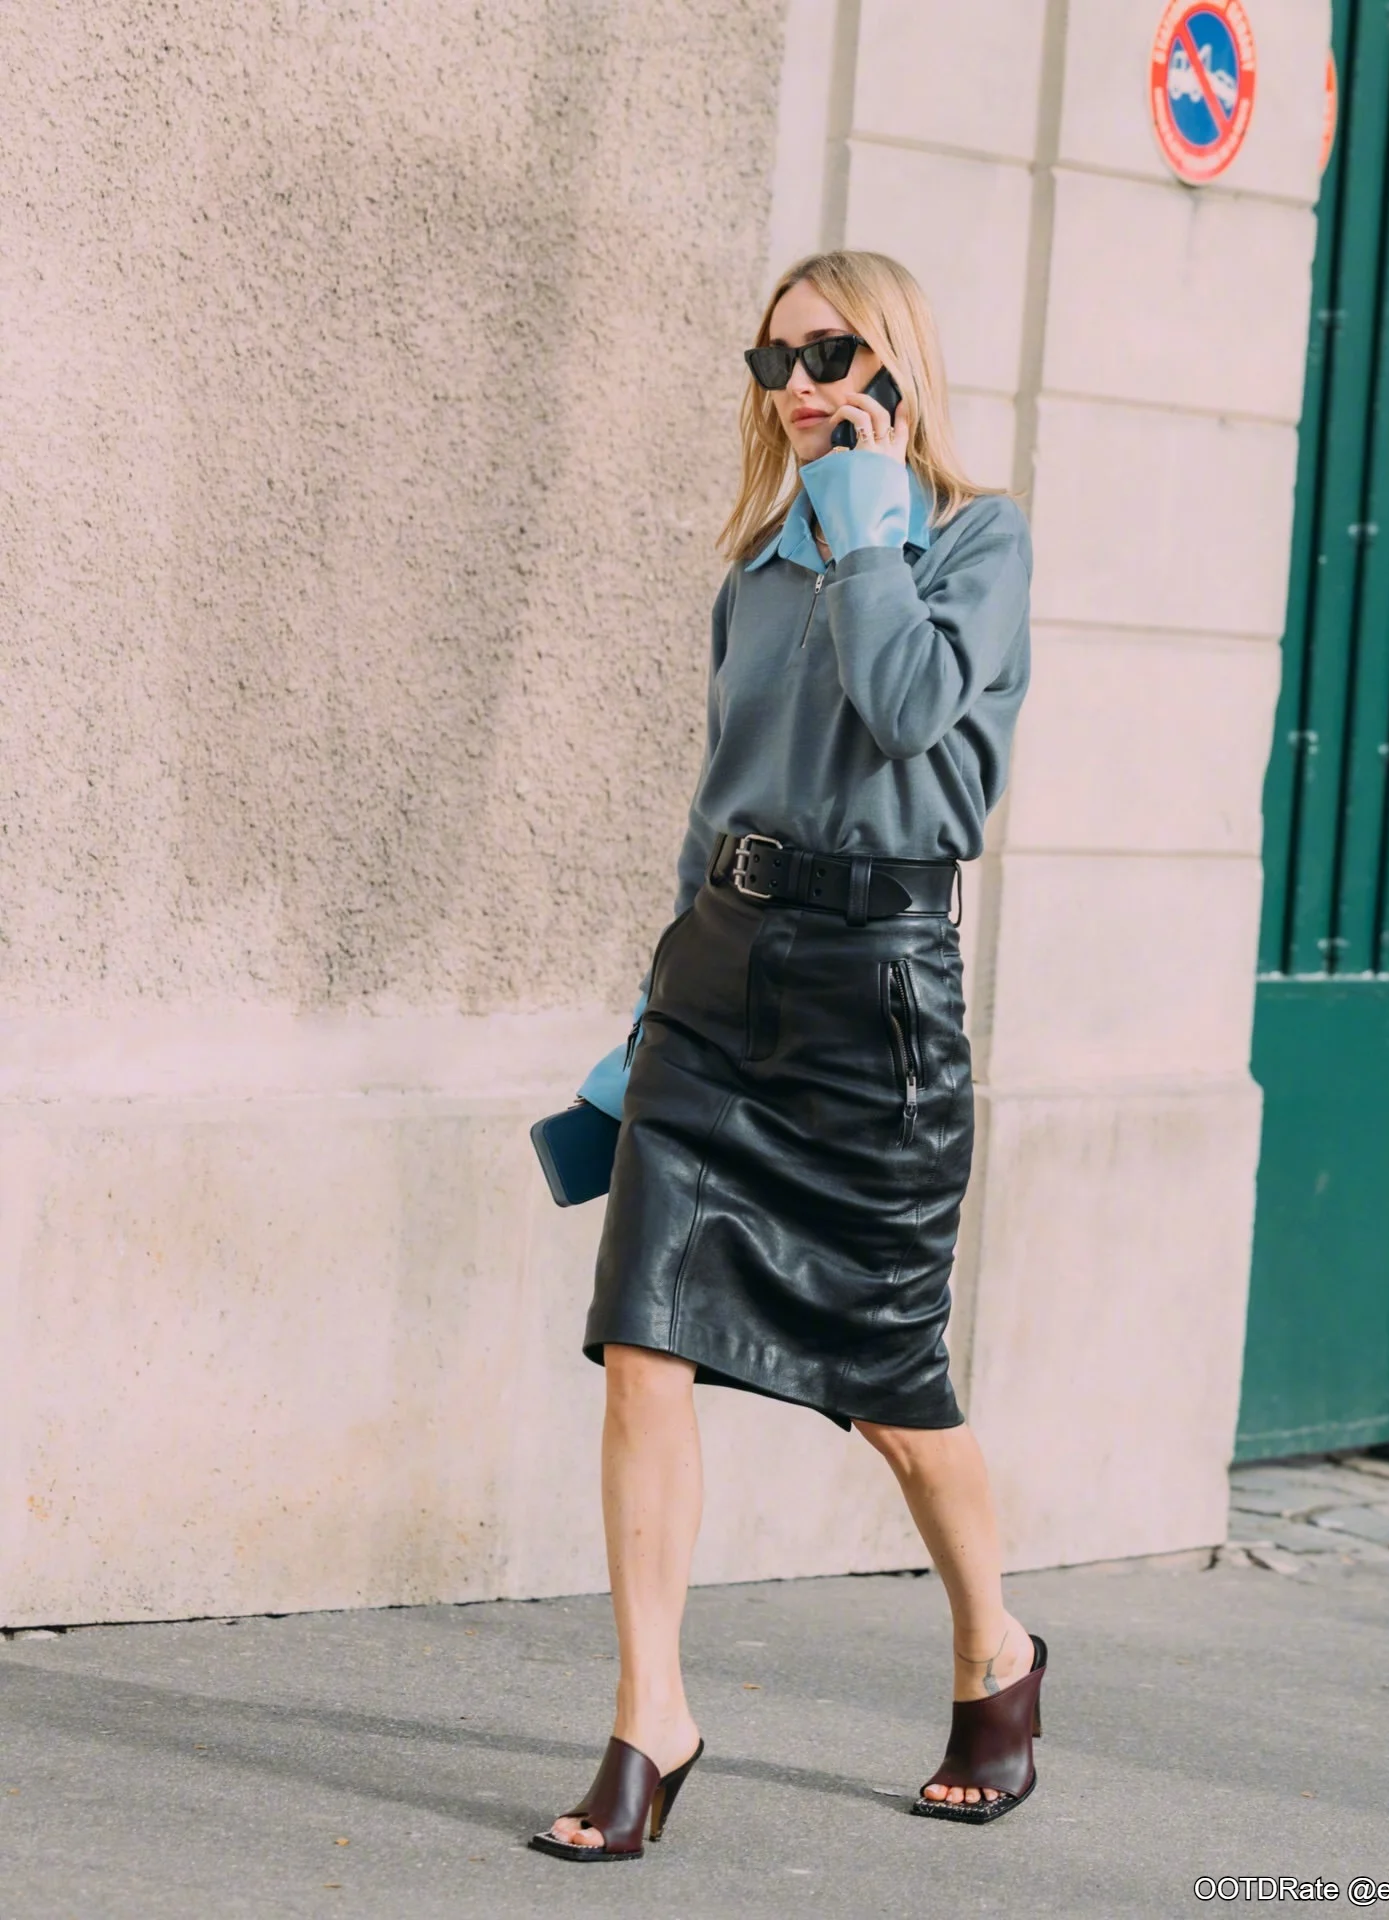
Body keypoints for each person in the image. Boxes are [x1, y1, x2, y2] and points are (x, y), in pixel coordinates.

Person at [529, 249, 1042, 1863]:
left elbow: (911, 723)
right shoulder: (752, 570)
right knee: (644, 1343)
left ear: (895, 356)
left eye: (828, 354)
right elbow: (719, 800)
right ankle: (649, 1721)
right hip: (718, 987)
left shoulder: (974, 543)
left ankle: (997, 1658)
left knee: (894, 1392)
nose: (800, 386)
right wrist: (643, 1019)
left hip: (878, 1013)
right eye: (774, 366)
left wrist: (871, 520)